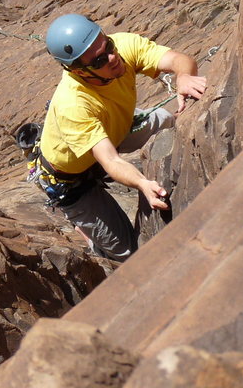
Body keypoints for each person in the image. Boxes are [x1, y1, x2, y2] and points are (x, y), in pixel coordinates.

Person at [35, 14, 207, 262]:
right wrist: (142, 184)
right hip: (72, 177)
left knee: (165, 119)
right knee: (128, 254)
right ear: (78, 72)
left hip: (114, 129)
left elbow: (179, 59)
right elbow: (111, 161)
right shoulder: (72, 104)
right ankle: (92, 239)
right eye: (99, 61)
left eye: (108, 46)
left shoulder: (123, 46)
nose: (113, 58)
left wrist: (184, 76)